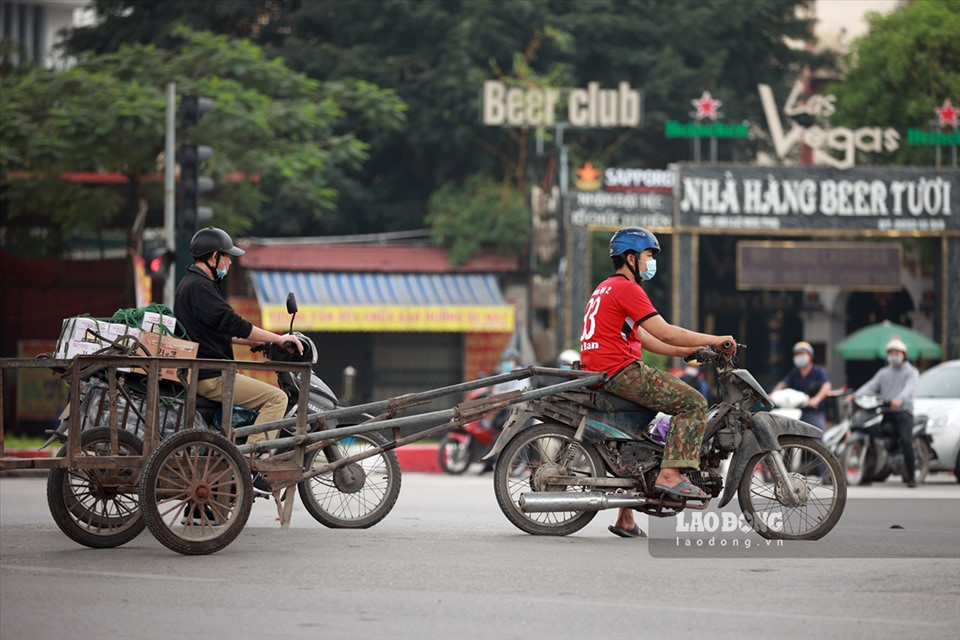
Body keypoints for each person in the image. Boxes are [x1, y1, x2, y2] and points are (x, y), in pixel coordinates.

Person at [579, 226, 735, 538]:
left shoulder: (607, 288)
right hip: (620, 370)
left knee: (644, 439)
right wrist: (716, 339)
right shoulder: (627, 289)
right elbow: (663, 330)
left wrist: (689, 351)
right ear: (631, 258)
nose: (652, 262)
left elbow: (646, 338)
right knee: (693, 403)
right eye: (650, 255)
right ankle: (670, 474)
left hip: (605, 369)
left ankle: (626, 517)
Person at [174, 227, 303, 456]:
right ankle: (248, 462)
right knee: (276, 398)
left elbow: (218, 330)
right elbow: (235, 324)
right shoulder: (199, 287)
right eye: (227, 257)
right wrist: (279, 339)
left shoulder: (194, 284)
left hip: (206, 371)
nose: (230, 264)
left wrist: (257, 343)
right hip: (212, 376)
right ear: (214, 257)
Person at [850, 337, 920, 487]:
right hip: (885, 411)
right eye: (891, 352)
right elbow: (870, 386)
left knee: (906, 440)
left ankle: (912, 476)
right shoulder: (884, 372)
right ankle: (870, 470)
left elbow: (909, 390)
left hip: (903, 412)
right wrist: (855, 395)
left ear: (903, 354)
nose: (894, 355)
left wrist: (899, 399)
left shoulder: (911, 372)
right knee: (871, 431)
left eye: (897, 352)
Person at [772, 341, 832, 432]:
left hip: (814, 412)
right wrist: (772, 395)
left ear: (810, 356)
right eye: (797, 354)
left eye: (802, 354)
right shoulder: (794, 372)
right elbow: (783, 384)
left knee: (817, 436)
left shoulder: (818, 371)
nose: (799, 356)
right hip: (795, 410)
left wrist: (816, 399)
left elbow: (827, 385)